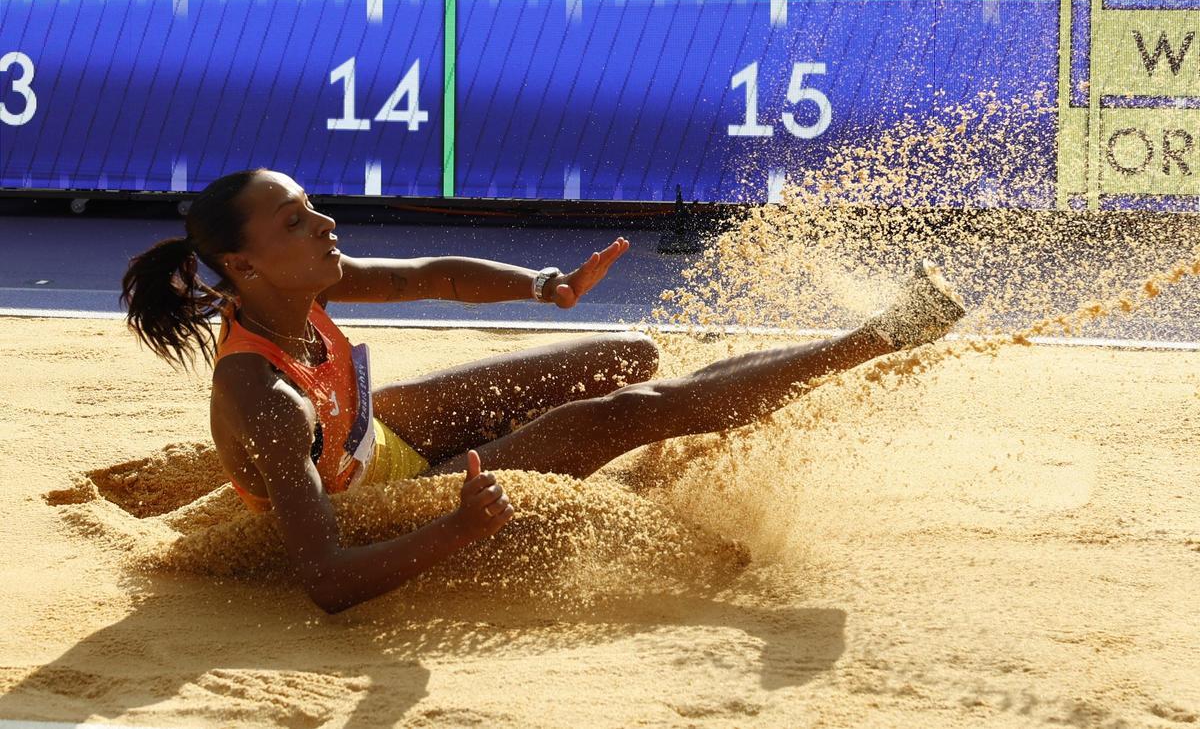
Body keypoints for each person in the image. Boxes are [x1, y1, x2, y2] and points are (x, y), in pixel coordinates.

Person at [121, 168, 966, 614]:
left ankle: (722, 403)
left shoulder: (304, 289)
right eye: (298, 222)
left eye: (313, 207)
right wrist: (455, 528)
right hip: (399, 501)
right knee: (634, 411)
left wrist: (546, 284)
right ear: (243, 264)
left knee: (626, 355)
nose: (327, 225)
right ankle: (881, 336)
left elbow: (437, 275)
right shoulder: (266, 396)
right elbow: (326, 579)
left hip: (380, 442)